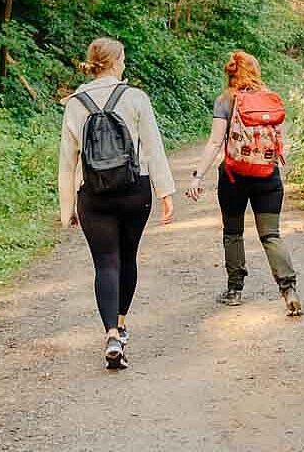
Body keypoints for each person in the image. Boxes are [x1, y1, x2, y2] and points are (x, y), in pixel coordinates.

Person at [59, 37, 176, 370]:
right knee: (128, 258)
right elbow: (153, 147)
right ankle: (122, 325)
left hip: (92, 194)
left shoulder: (75, 103)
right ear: (116, 61)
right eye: (123, 58)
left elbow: (68, 161)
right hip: (134, 190)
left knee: (105, 263)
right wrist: (165, 192)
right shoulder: (135, 97)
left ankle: (110, 332)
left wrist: (67, 208)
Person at [186, 50, 303, 317]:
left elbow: (216, 141)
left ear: (229, 73)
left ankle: (235, 290)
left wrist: (198, 176)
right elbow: (277, 139)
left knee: (233, 233)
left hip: (234, 177)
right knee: (271, 234)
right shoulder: (270, 99)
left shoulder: (225, 101)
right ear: (256, 71)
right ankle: (289, 290)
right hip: (268, 177)